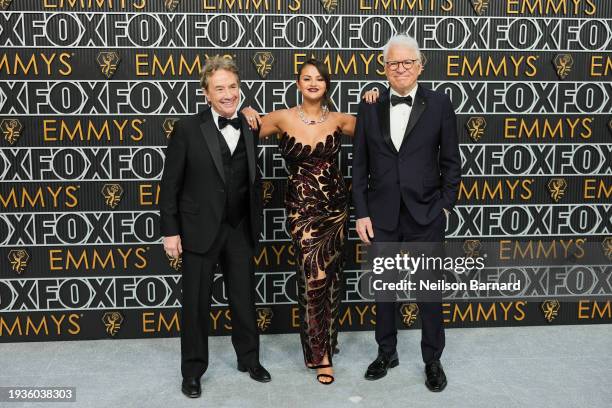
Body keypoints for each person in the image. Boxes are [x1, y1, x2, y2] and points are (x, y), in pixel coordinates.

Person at [242, 59, 379, 385]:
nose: (313, 83)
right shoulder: (281, 118)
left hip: (335, 211)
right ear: (298, 83)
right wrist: (244, 112)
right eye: (307, 78)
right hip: (301, 212)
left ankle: (328, 340)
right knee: (312, 280)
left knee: (332, 281)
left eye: (319, 78)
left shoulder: (341, 120)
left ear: (327, 84)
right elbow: (239, 137)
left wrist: (377, 97)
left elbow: (382, 133)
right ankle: (320, 356)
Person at [352, 34, 461, 392]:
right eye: (393, 63)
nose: (400, 69)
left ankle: (433, 359)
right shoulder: (369, 105)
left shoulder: (441, 104)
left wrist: (444, 204)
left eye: (407, 62)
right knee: (384, 289)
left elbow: (451, 162)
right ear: (384, 68)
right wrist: (362, 212)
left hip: (425, 213)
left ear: (420, 65)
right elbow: (359, 166)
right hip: (381, 214)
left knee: (428, 291)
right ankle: (387, 352)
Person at [159, 55, 271, 399]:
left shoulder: (252, 124)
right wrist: (171, 230)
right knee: (194, 305)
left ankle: (248, 359)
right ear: (206, 93)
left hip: (239, 226)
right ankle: (192, 371)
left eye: (233, 87)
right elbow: (170, 185)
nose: (228, 94)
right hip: (197, 230)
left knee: (244, 299)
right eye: (219, 88)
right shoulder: (187, 128)